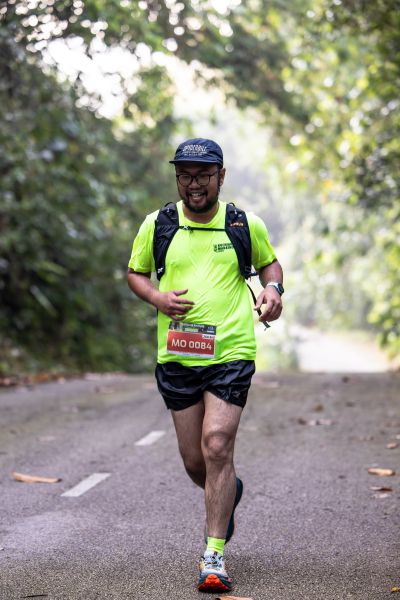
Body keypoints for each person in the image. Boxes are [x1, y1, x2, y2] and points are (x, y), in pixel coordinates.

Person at [127, 138, 283, 592]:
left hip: (231, 353)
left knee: (217, 444)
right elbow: (136, 273)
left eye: (203, 175)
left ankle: (213, 556)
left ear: (221, 176)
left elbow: (270, 265)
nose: (194, 184)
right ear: (178, 178)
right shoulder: (158, 224)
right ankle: (229, 492)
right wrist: (157, 297)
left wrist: (273, 291)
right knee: (196, 460)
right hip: (178, 355)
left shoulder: (242, 223)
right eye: (185, 175)